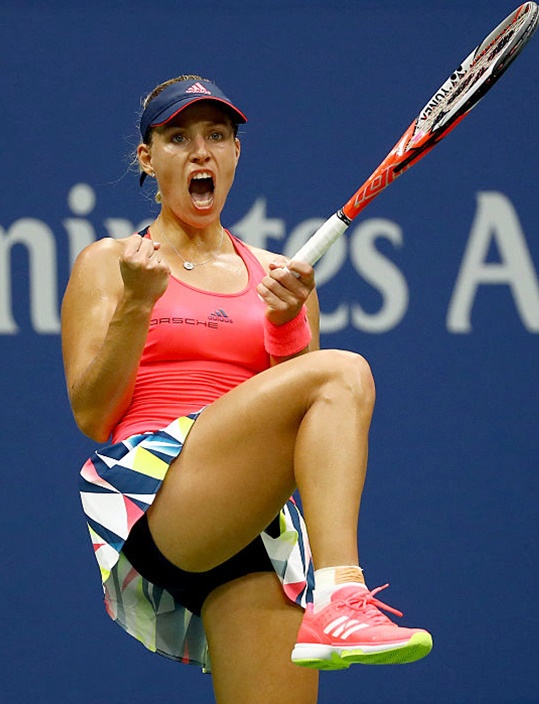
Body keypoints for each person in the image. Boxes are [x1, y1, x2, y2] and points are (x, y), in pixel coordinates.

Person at [62, 74, 432, 703]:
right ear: (148, 159)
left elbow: (299, 427)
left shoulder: (276, 276)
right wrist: (136, 304)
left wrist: (288, 326)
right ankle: (340, 593)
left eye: (217, 135)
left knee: (329, 379)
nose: (200, 151)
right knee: (344, 370)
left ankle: (326, 600)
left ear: (236, 154)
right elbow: (94, 414)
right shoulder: (111, 261)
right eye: (178, 137)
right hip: (162, 496)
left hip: (256, 527)